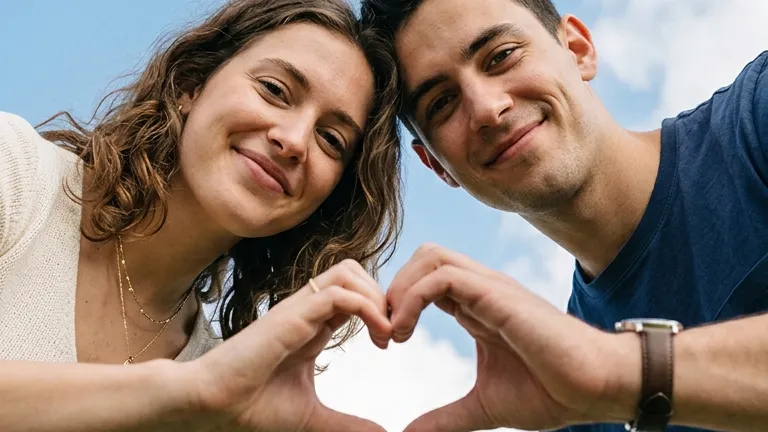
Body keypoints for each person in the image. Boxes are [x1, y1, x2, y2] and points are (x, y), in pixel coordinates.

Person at [361, 0, 768, 431]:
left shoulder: (755, 121)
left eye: (500, 56)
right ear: (438, 166)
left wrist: (616, 372)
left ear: (577, 49)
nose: (486, 108)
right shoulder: (571, 404)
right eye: (442, 103)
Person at [0, 0, 403, 431]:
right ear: (191, 84)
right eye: (274, 90)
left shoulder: (221, 396)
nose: (294, 140)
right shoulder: (16, 173)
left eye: (331, 139)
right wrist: (179, 391)